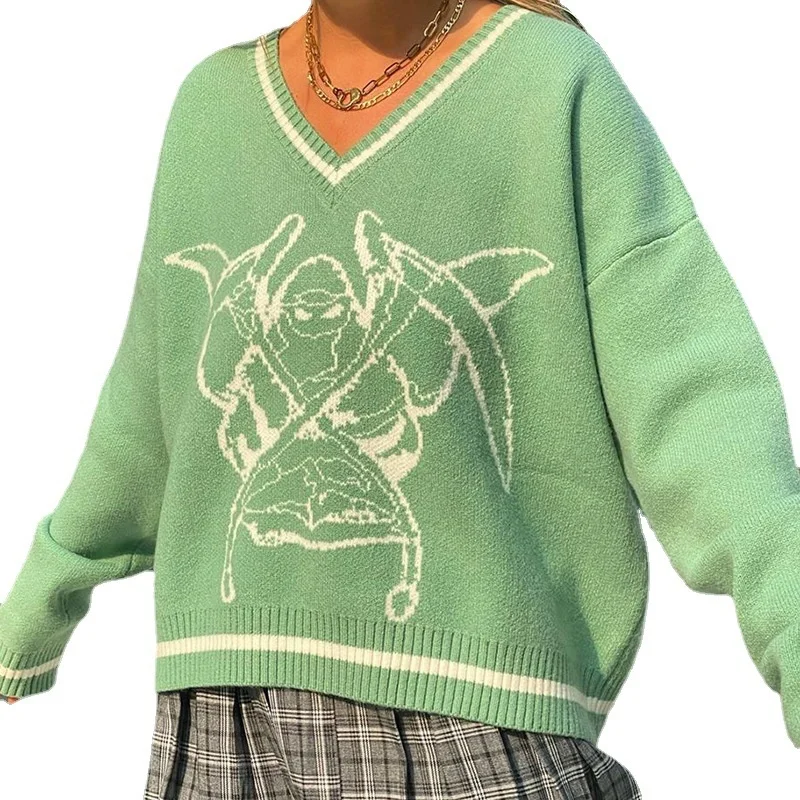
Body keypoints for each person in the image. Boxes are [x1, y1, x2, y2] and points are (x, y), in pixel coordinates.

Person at [2, 0, 799, 796]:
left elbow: (698, 402)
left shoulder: (550, 84)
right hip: (221, 710)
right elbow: (153, 397)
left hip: (471, 709)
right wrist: (47, 586)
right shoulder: (209, 111)